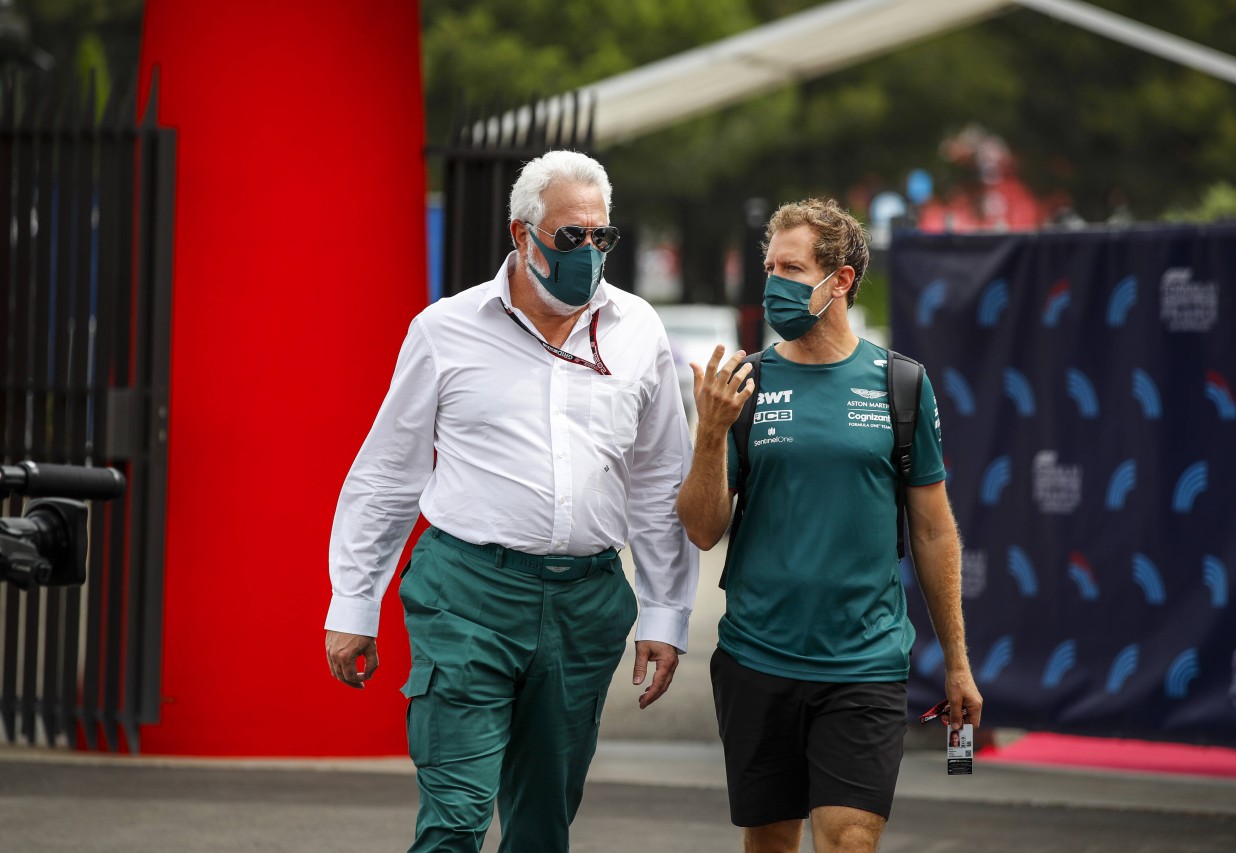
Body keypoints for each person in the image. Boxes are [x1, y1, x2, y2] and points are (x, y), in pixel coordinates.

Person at [324, 149, 698, 853]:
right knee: (457, 815)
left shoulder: (640, 329)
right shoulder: (445, 330)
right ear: (521, 235)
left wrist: (664, 611)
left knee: (541, 823)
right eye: (570, 236)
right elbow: (387, 475)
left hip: (585, 601)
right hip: (467, 592)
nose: (588, 251)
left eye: (601, 236)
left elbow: (657, 479)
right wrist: (354, 604)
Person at [676, 198, 982, 853]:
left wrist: (956, 662)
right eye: (769, 266)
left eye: (790, 267)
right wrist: (709, 436)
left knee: (847, 838)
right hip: (758, 654)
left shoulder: (901, 383)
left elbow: (933, 531)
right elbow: (703, 529)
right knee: (772, 842)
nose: (772, 283)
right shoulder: (746, 384)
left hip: (865, 661)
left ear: (839, 279)